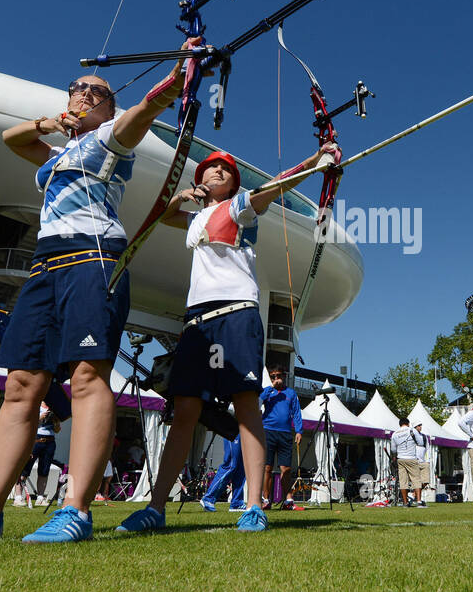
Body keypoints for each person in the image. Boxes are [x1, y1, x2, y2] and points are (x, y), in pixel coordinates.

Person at [0, 46, 196, 542]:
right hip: (45, 266)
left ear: (110, 108)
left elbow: (144, 112)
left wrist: (176, 80)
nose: (86, 94)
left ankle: (76, 510)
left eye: (99, 92)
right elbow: (11, 137)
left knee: (87, 377)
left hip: (94, 258)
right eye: (78, 88)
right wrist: (49, 123)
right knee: (21, 383)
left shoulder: (111, 139)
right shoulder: (58, 152)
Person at [116, 138, 337, 535]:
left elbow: (276, 187)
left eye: (226, 170)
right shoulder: (195, 218)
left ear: (234, 183)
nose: (217, 171)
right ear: (199, 178)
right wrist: (180, 197)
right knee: (185, 410)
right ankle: (156, 507)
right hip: (198, 321)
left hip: (236, 314)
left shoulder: (239, 207)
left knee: (246, 404)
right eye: (209, 168)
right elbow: (160, 218)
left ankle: (253, 506)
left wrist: (316, 161)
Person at [258, 367, 302, 510]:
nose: (276, 378)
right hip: (268, 431)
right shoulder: (267, 391)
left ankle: (288, 501)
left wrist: (299, 431)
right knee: (267, 468)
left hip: (285, 433)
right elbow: (259, 400)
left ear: (284, 376)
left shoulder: (291, 393)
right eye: (273, 376)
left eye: (278, 376)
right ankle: (266, 499)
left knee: (286, 469)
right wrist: (271, 387)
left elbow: (296, 413)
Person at [13, 404, 61, 506]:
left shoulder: (54, 409)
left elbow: (57, 430)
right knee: (25, 468)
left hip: (50, 441)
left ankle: (40, 497)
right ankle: (18, 497)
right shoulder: (35, 405)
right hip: (35, 439)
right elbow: (26, 422)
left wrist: (55, 422)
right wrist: (40, 417)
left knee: (44, 470)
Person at [200, 433, 246, 512]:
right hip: (233, 427)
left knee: (240, 468)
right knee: (231, 465)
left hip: (245, 430)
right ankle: (208, 498)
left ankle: (237, 503)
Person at [390, 417, 425, 507]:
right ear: (408, 424)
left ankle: (405, 502)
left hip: (400, 459)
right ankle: (419, 501)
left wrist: (395, 458)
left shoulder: (395, 434)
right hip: (411, 458)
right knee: (416, 479)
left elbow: (393, 449)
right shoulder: (412, 430)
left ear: (400, 424)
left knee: (403, 481)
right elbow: (420, 442)